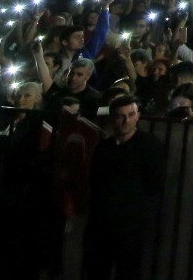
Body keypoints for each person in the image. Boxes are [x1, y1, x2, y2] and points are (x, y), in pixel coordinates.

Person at [83, 96, 165, 280]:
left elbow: (155, 183)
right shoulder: (104, 148)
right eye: (121, 116)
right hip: (102, 223)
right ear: (113, 118)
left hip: (130, 224)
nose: (126, 120)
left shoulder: (149, 146)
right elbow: (94, 180)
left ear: (138, 116)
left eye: (131, 114)